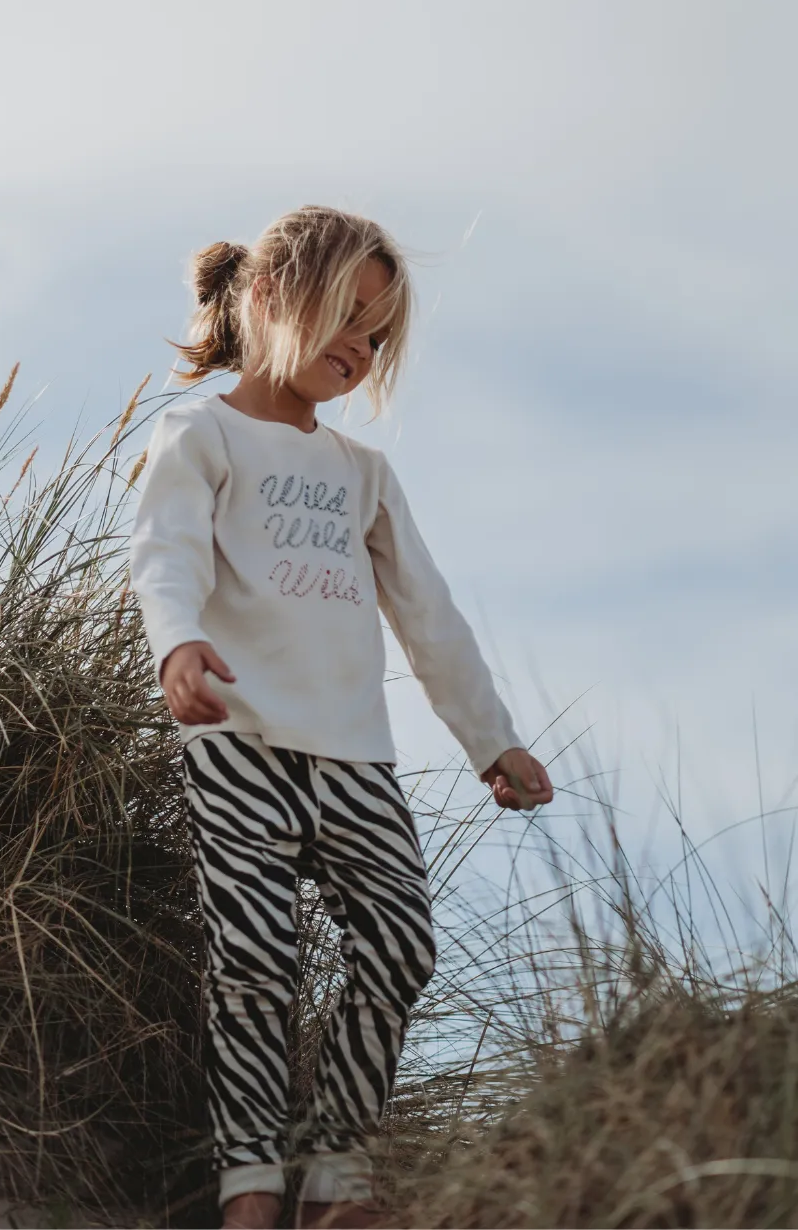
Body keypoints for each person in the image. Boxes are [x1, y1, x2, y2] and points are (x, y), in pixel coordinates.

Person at [128, 205, 553, 1229]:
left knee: (402, 943)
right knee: (256, 956)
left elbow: (428, 616)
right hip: (237, 739)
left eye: (377, 333)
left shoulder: (364, 475)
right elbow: (166, 547)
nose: (358, 347)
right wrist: (177, 640)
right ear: (268, 298)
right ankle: (249, 1181)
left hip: (353, 758)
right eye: (343, 318)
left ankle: (337, 1162)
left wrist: (489, 737)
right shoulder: (201, 431)